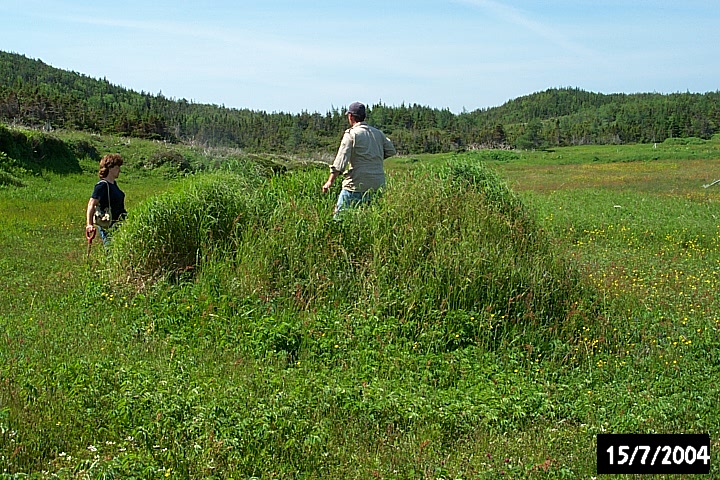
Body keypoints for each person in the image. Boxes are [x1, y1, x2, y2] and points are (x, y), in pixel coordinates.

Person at [322, 102, 396, 216]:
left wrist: (329, 182)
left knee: (339, 218)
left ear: (350, 116)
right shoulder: (378, 133)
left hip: (356, 184)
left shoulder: (351, 134)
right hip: (377, 184)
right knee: (370, 218)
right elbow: (391, 150)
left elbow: (340, 161)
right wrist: (374, 158)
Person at [85, 153, 127, 244]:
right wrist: (89, 224)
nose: (119, 170)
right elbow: (91, 204)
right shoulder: (102, 185)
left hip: (119, 224)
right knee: (110, 249)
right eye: (117, 167)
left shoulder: (113, 184)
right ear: (110, 168)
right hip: (109, 226)